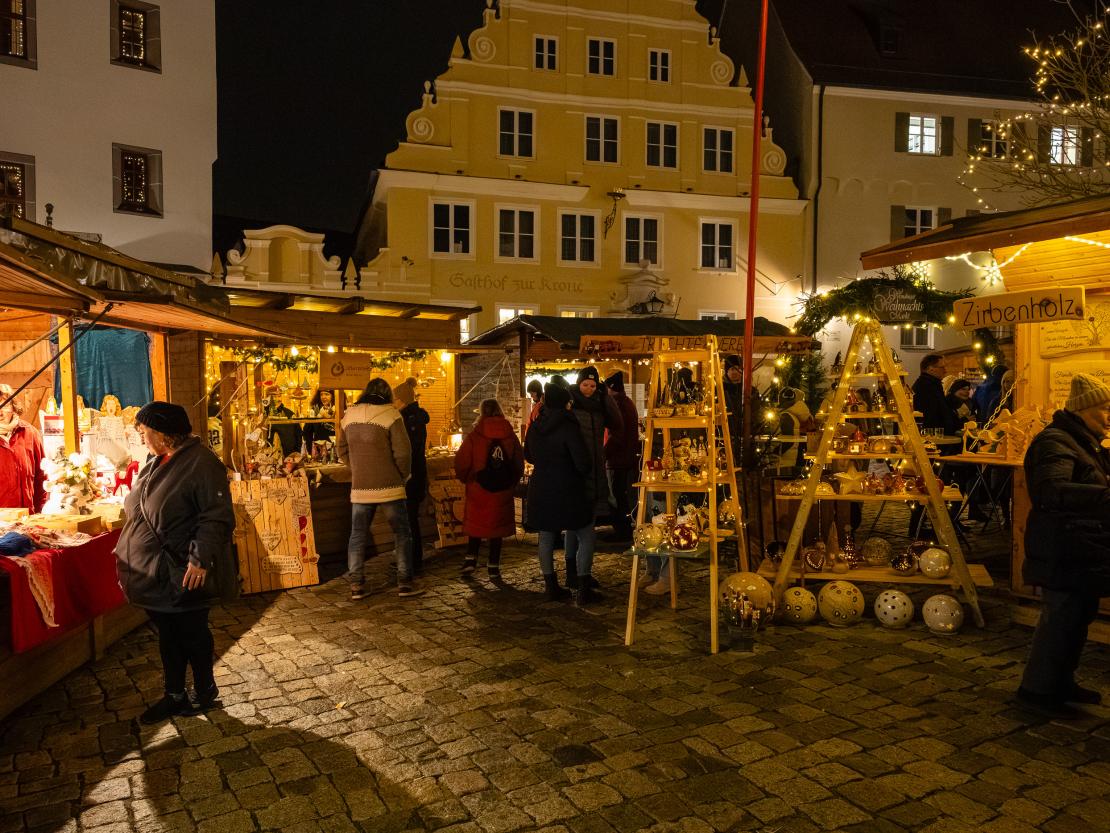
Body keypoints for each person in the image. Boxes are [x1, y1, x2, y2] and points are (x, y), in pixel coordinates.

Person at [113, 402, 235, 724]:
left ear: (164, 434)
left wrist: (200, 559)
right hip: (158, 570)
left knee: (191, 632)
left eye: (145, 431)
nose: (142, 437)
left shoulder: (202, 463)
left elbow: (216, 516)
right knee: (169, 634)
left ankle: (205, 690)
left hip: (183, 568)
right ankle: (175, 695)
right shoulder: (157, 461)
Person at [1016, 373, 1110, 719]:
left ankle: (1060, 682)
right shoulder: (1055, 441)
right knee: (1060, 619)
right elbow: (1051, 491)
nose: (1109, 417)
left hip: (1081, 545)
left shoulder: (1084, 442)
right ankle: (1037, 690)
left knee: (1077, 617)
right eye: (1105, 409)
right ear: (1084, 409)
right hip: (1063, 546)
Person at [339, 378, 422, 600]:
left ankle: (356, 584)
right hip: (390, 486)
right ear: (388, 394)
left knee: (357, 535)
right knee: (401, 533)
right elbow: (403, 453)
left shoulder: (348, 416)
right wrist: (403, 475)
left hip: (360, 487)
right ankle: (405, 583)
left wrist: (357, 468)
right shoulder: (392, 415)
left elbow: (341, 449)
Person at [524, 383, 592, 600]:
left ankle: (550, 585)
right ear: (564, 403)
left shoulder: (536, 426)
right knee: (585, 532)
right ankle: (583, 585)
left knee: (546, 535)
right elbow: (582, 461)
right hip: (568, 486)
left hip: (542, 486)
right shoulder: (569, 426)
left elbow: (529, 455)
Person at [567, 366, 622, 604]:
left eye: (592, 385)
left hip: (597, 471)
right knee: (581, 529)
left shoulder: (600, 403)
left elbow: (617, 423)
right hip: (577, 473)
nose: (588, 389)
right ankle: (579, 578)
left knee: (580, 527)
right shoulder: (571, 404)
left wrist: (605, 396)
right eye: (585, 384)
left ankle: (577, 576)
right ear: (578, 384)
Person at [454, 399, 523, 581]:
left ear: (481, 412)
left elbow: (462, 462)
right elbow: (518, 462)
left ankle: (471, 559)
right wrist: (512, 481)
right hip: (503, 489)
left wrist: (467, 478)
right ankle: (493, 566)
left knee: (477, 524)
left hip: (478, 488)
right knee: (497, 528)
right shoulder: (510, 435)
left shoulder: (475, 436)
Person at [394, 377, 429, 577]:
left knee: (409, 519)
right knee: (409, 519)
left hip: (410, 476)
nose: (393, 403)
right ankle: (410, 559)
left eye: (395, 399)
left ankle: (412, 561)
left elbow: (407, 451)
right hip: (415, 474)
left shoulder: (408, 420)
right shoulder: (413, 417)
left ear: (402, 400)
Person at [603, 371, 640, 544]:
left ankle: (621, 531)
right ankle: (624, 529)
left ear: (610, 388)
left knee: (616, 496)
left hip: (617, 459)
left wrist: (603, 453)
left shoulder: (616, 405)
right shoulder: (628, 402)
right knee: (623, 495)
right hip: (626, 458)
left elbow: (616, 435)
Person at [0, 384, 45, 513]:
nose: (0, 412)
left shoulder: (30, 433)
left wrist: (39, 511)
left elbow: (41, 476)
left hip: (27, 517)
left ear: (13, 407)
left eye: (5, 406)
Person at [911, 353, 957, 437]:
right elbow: (931, 415)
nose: (945, 371)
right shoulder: (925, 387)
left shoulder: (933, 384)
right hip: (933, 437)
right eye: (942, 367)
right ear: (930, 369)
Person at [304, 389, 336, 456]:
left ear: (333, 396)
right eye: (321, 394)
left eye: (327, 394)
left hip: (336, 448)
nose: (323, 397)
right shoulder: (315, 410)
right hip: (319, 449)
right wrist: (310, 451)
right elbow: (307, 432)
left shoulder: (339, 409)